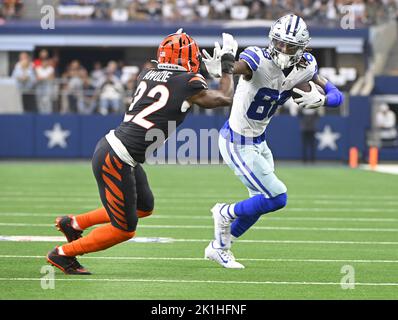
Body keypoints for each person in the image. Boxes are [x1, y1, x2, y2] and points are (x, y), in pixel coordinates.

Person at [46, 29, 237, 274]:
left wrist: (201, 73)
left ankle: (73, 223)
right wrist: (227, 68)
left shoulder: (147, 73)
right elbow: (223, 97)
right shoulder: (189, 83)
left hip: (118, 151)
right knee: (124, 228)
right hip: (117, 157)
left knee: (143, 207)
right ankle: (62, 254)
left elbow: (176, 84)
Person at [202, 14, 344, 268]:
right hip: (237, 141)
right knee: (277, 197)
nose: (282, 49)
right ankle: (224, 212)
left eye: (289, 46)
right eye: (278, 43)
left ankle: (219, 247)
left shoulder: (305, 66)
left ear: (302, 48)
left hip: (259, 142)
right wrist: (223, 69)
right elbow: (239, 67)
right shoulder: (258, 58)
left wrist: (323, 100)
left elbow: (337, 95)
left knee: (260, 203)